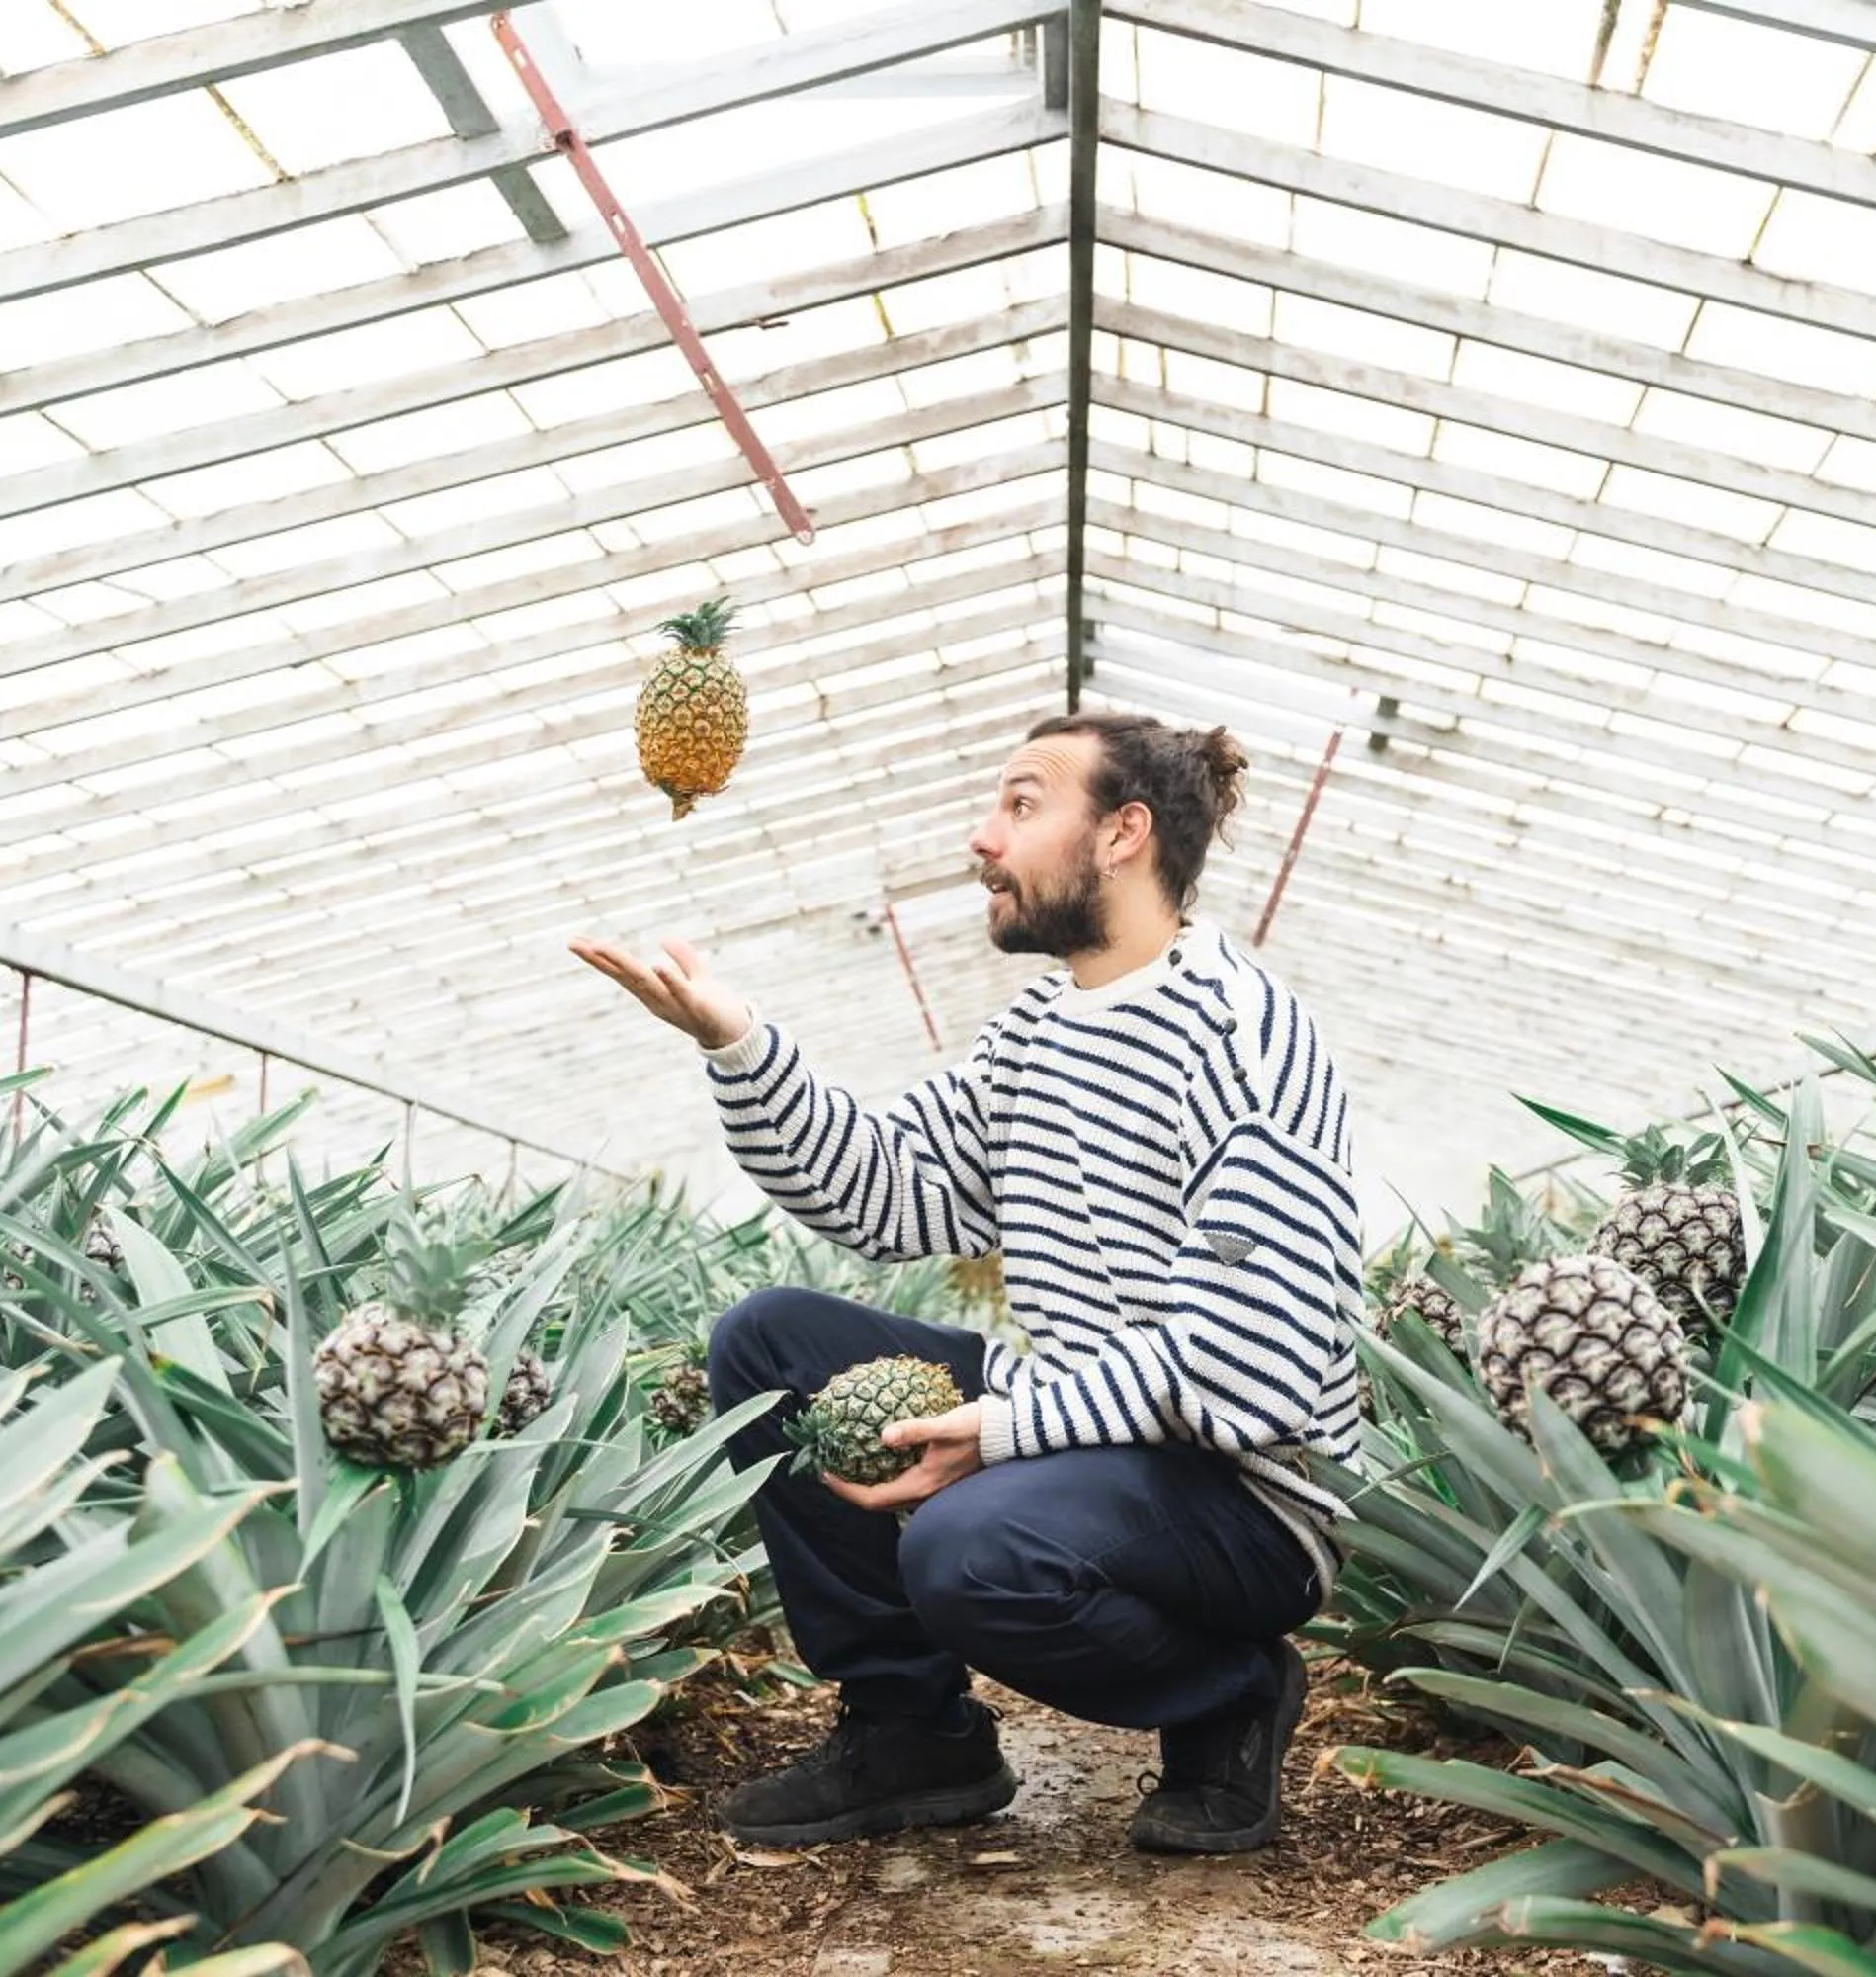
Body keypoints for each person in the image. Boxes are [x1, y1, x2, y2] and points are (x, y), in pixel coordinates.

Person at [572, 711, 1363, 1857]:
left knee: (970, 1549)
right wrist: (737, 1041)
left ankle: (1228, 1691)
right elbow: (886, 1190)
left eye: (1022, 803)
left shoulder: (1244, 1039)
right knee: (770, 1346)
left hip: (1241, 1490)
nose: (982, 836)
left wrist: (1003, 1427)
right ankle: (913, 1733)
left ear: (1122, 832)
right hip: (1087, 1422)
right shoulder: (1037, 1030)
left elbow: (1250, 1358)